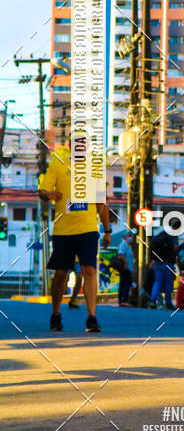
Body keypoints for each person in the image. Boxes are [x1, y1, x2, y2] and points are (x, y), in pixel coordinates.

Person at [38, 139, 111, 333]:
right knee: (61, 273)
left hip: (88, 228)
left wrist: (107, 230)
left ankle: (91, 317)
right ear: (70, 145)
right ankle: (55, 313)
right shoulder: (58, 163)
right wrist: (49, 194)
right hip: (64, 230)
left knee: (89, 270)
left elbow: (102, 202)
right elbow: (43, 190)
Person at [149, 229, 176, 310]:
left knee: (157, 282)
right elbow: (174, 250)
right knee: (168, 283)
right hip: (168, 263)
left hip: (157, 263)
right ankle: (168, 302)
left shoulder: (156, 238)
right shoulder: (170, 238)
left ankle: (152, 301)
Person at [117, 232, 135, 306]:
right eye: (129, 236)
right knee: (127, 283)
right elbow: (121, 254)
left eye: (131, 236)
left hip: (128, 267)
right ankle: (123, 300)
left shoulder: (128, 245)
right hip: (125, 267)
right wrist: (125, 263)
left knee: (124, 283)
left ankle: (122, 300)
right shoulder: (123, 244)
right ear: (125, 237)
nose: (131, 237)